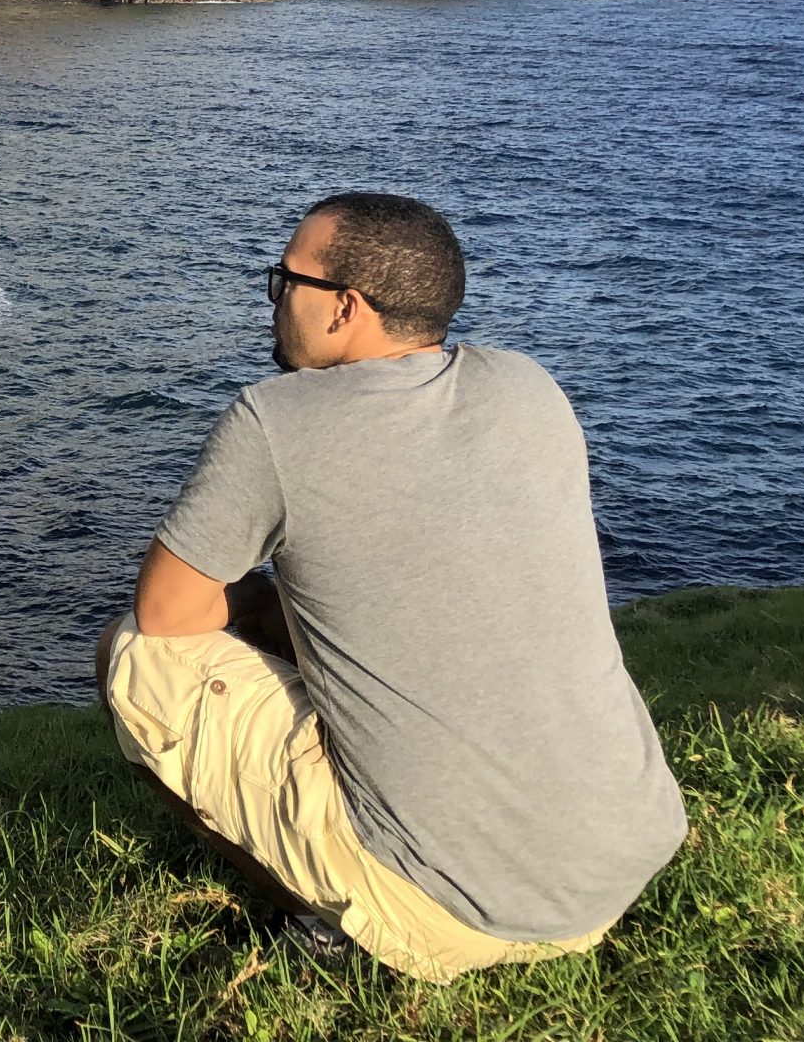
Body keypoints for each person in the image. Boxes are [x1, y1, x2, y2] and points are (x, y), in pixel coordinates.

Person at [97, 191, 686, 980]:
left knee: (133, 655)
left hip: (456, 916)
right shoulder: (528, 386)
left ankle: (335, 920)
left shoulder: (276, 421)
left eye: (286, 281)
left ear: (345, 309)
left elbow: (167, 613)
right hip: (619, 863)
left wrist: (242, 602)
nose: (273, 298)